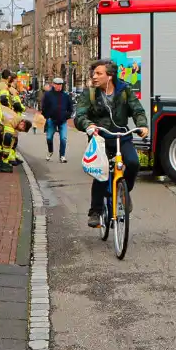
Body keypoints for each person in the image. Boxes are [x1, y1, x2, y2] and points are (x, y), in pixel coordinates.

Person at [74, 59, 149, 227]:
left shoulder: (125, 90)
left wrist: (142, 125)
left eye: (99, 73)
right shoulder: (90, 93)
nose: (94, 77)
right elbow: (79, 115)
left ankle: (124, 194)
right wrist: (88, 125)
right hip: (100, 137)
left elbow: (137, 110)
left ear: (110, 76)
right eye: (93, 73)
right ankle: (96, 211)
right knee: (101, 172)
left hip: (121, 135)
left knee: (133, 163)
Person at [0, 92, 30, 172]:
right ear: (22, 123)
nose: (20, 130)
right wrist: (6, 154)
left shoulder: (15, 118)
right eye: (21, 129)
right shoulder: (13, 121)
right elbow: (8, 136)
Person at [42, 77, 74, 162]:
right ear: (53, 84)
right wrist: (47, 116)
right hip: (51, 119)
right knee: (49, 137)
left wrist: (66, 115)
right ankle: (50, 151)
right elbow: (44, 107)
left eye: (60, 85)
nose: (59, 86)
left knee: (63, 138)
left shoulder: (65, 96)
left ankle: (62, 156)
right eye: (57, 84)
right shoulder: (48, 95)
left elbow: (70, 108)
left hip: (62, 120)